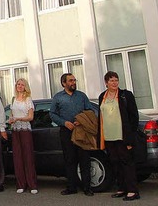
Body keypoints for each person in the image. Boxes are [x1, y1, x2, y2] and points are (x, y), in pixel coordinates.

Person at [50, 73, 94, 197]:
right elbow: (52, 114)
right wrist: (64, 122)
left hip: (82, 131)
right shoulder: (58, 97)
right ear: (64, 83)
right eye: (71, 81)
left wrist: (82, 120)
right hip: (66, 131)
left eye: (74, 80)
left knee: (84, 159)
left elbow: (89, 110)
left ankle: (87, 187)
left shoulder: (82, 96)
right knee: (70, 160)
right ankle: (71, 187)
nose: (73, 82)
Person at [98, 71, 140, 201]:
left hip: (122, 136)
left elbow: (134, 116)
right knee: (115, 163)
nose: (114, 83)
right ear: (106, 83)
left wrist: (130, 137)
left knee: (126, 162)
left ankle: (132, 190)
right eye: (111, 81)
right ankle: (121, 188)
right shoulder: (102, 96)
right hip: (109, 136)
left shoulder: (125, 95)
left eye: (116, 80)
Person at [9, 78, 38, 194]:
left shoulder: (28, 99)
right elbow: (11, 115)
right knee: (17, 158)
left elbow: (31, 117)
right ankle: (21, 184)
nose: (20, 86)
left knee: (28, 157)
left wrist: (18, 118)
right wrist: (11, 120)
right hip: (15, 130)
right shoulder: (13, 100)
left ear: (25, 86)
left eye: (22, 84)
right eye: (18, 84)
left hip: (25, 129)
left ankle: (32, 185)